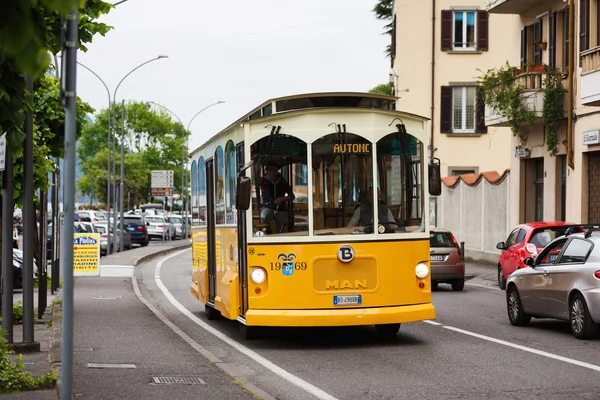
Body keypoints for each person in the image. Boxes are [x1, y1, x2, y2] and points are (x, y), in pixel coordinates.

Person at [257, 161, 295, 233]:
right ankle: (266, 233)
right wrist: (257, 165)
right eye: (271, 170)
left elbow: (292, 196)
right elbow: (256, 177)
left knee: (284, 227)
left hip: (281, 209)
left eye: (275, 170)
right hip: (268, 207)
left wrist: (283, 199)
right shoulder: (264, 181)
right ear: (267, 171)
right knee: (264, 216)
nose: (273, 172)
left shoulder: (282, 181)